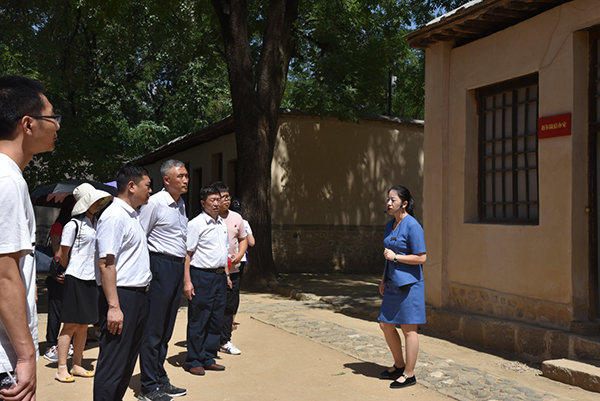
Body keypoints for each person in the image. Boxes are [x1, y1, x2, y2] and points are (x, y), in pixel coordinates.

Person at [0, 75, 60, 400]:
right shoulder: (7, 181)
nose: (57, 125)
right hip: (5, 361)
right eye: (52, 116)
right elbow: (3, 275)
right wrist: (25, 355)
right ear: (28, 124)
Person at [94, 163, 152, 401]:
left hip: (137, 296)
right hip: (121, 297)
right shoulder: (114, 216)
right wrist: (114, 307)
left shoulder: (132, 215)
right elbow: (106, 264)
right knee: (113, 362)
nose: (150, 191)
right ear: (131, 186)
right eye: (147, 186)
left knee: (127, 361)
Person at [138, 160, 189, 401]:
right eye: (180, 176)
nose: (185, 179)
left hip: (177, 268)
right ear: (166, 180)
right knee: (153, 329)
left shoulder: (180, 204)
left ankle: (160, 378)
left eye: (186, 175)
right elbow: (140, 237)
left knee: (167, 328)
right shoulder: (155, 203)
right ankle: (148, 386)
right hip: (159, 265)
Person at [55, 184, 111, 382]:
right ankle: (62, 367)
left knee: (83, 326)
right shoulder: (73, 225)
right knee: (70, 324)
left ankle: (77, 364)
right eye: (93, 201)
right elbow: (63, 254)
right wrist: (71, 270)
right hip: (76, 277)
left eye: (98, 201)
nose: (97, 204)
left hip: (91, 278)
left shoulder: (95, 223)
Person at [378, 185, 427, 389]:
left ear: (404, 203)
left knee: (409, 329)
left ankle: (409, 374)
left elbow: (422, 257)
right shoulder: (391, 225)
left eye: (393, 200)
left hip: (409, 286)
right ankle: (399, 365)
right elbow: (388, 255)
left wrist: (396, 257)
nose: (389, 203)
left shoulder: (413, 226)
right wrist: (383, 279)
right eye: (388, 199)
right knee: (385, 324)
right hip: (392, 283)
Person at [184, 186, 231, 375]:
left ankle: (208, 357)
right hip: (201, 275)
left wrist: (226, 275)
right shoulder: (195, 224)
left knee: (215, 317)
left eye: (218, 199)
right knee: (199, 318)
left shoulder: (222, 224)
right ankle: (194, 359)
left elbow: (224, 252)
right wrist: (187, 281)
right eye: (212, 200)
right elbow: (187, 254)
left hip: (219, 276)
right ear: (203, 203)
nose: (216, 203)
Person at [210, 182, 247, 356]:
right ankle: (209, 339)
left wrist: (240, 255)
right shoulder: (209, 218)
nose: (226, 200)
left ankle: (225, 340)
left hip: (233, 269)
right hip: (214, 271)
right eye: (222, 197)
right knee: (212, 305)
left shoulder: (237, 218)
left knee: (229, 306)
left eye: (228, 197)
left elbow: (243, 239)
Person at [43, 195, 76, 362]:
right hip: (60, 269)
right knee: (56, 308)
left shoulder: (81, 223)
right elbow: (55, 246)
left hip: (74, 268)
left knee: (70, 308)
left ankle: (67, 342)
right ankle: (51, 343)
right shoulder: (59, 225)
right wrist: (69, 244)